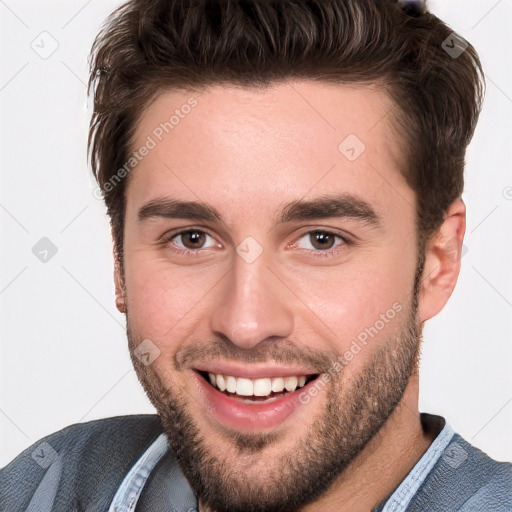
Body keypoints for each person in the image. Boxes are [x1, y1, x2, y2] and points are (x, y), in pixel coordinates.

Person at [1, 0, 511, 511]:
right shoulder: (45, 488)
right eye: (192, 238)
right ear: (119, 262)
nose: (245, 323)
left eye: (321, 240)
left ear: (439, 261)